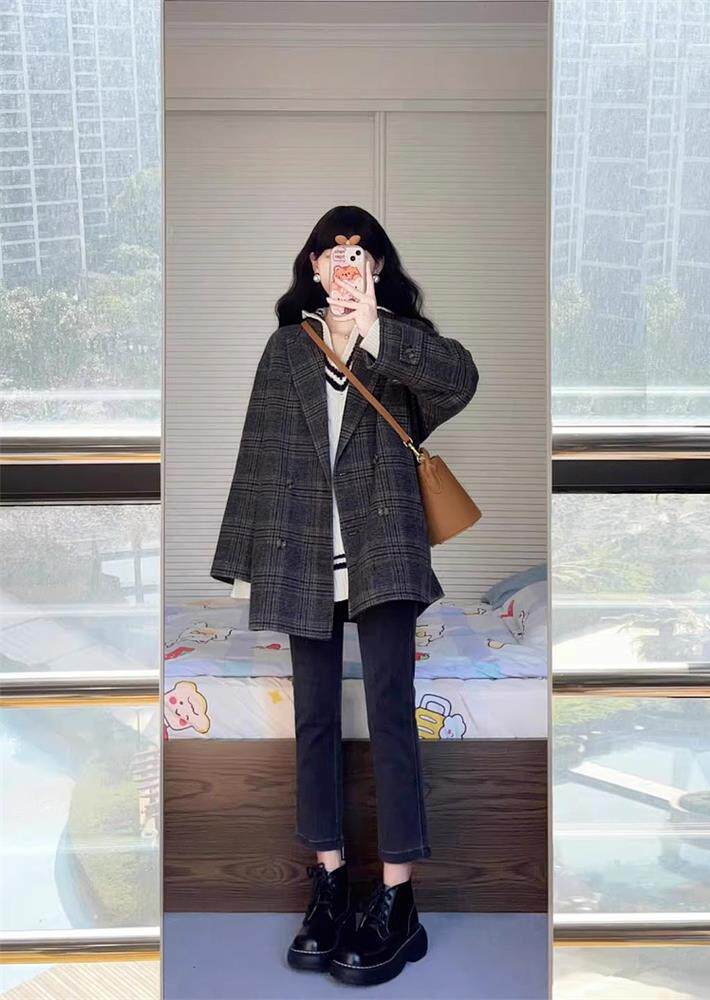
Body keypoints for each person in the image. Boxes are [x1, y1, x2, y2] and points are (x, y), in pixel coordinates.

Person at [210, 205, 478, 986]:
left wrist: (374, 331)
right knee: (316, 719)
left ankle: (397, 900)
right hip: (303, 558)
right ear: (315, 266)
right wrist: (243, 563)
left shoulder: (400, 340)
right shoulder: (285, 348)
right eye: (332, 250)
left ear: (377, 266)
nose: (345, 261)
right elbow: (258, 455)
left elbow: (461, 382)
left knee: (392, 712)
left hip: (383, 552)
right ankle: (329, 885)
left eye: (359, 251)